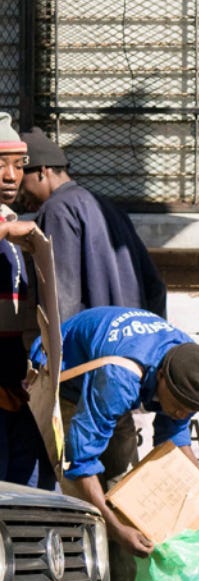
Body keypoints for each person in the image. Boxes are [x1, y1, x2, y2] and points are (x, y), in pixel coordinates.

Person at [28, 306, 199, 559]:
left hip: (107, 387)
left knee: (130, 503)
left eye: (190, 410)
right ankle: (85, 572)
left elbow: (174, 437)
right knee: (85, 512)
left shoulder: (188, 367)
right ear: (161, 376)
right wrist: (116, 529)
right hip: (63, 382)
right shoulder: (119, 380)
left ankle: (124, 580)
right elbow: (80, 461)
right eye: (178, 405)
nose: (181, 413)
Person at [18, 127, 166, 323]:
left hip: (91, 337)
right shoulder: (108, 206)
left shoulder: (57, 210)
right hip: (132, 334)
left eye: (21, 182)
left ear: (42, 171)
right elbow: (156, 287)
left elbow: (61, 297)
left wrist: (62, 339)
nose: (19, 194)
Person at [0, 113, 55, 489]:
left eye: (19, 165)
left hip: (19, 388)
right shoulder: (9, 228)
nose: (11, 176)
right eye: (1, 165)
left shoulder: (13, 223)